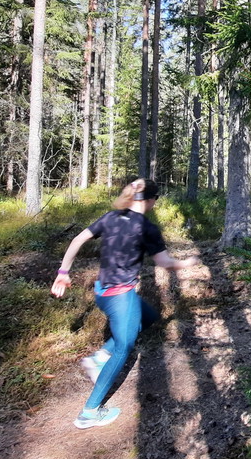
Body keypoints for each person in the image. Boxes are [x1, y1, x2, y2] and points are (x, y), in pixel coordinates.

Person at [50, 178, 200, 429]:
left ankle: (99, 358)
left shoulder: (111, 217)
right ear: (151, 200)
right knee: (123, 348)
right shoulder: (146, 228)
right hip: (120, 297)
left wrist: (63, 273)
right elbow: (165, 263)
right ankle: (89, 412)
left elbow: (77, 239)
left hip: (102, 292)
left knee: (150, 316)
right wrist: (188, 263)